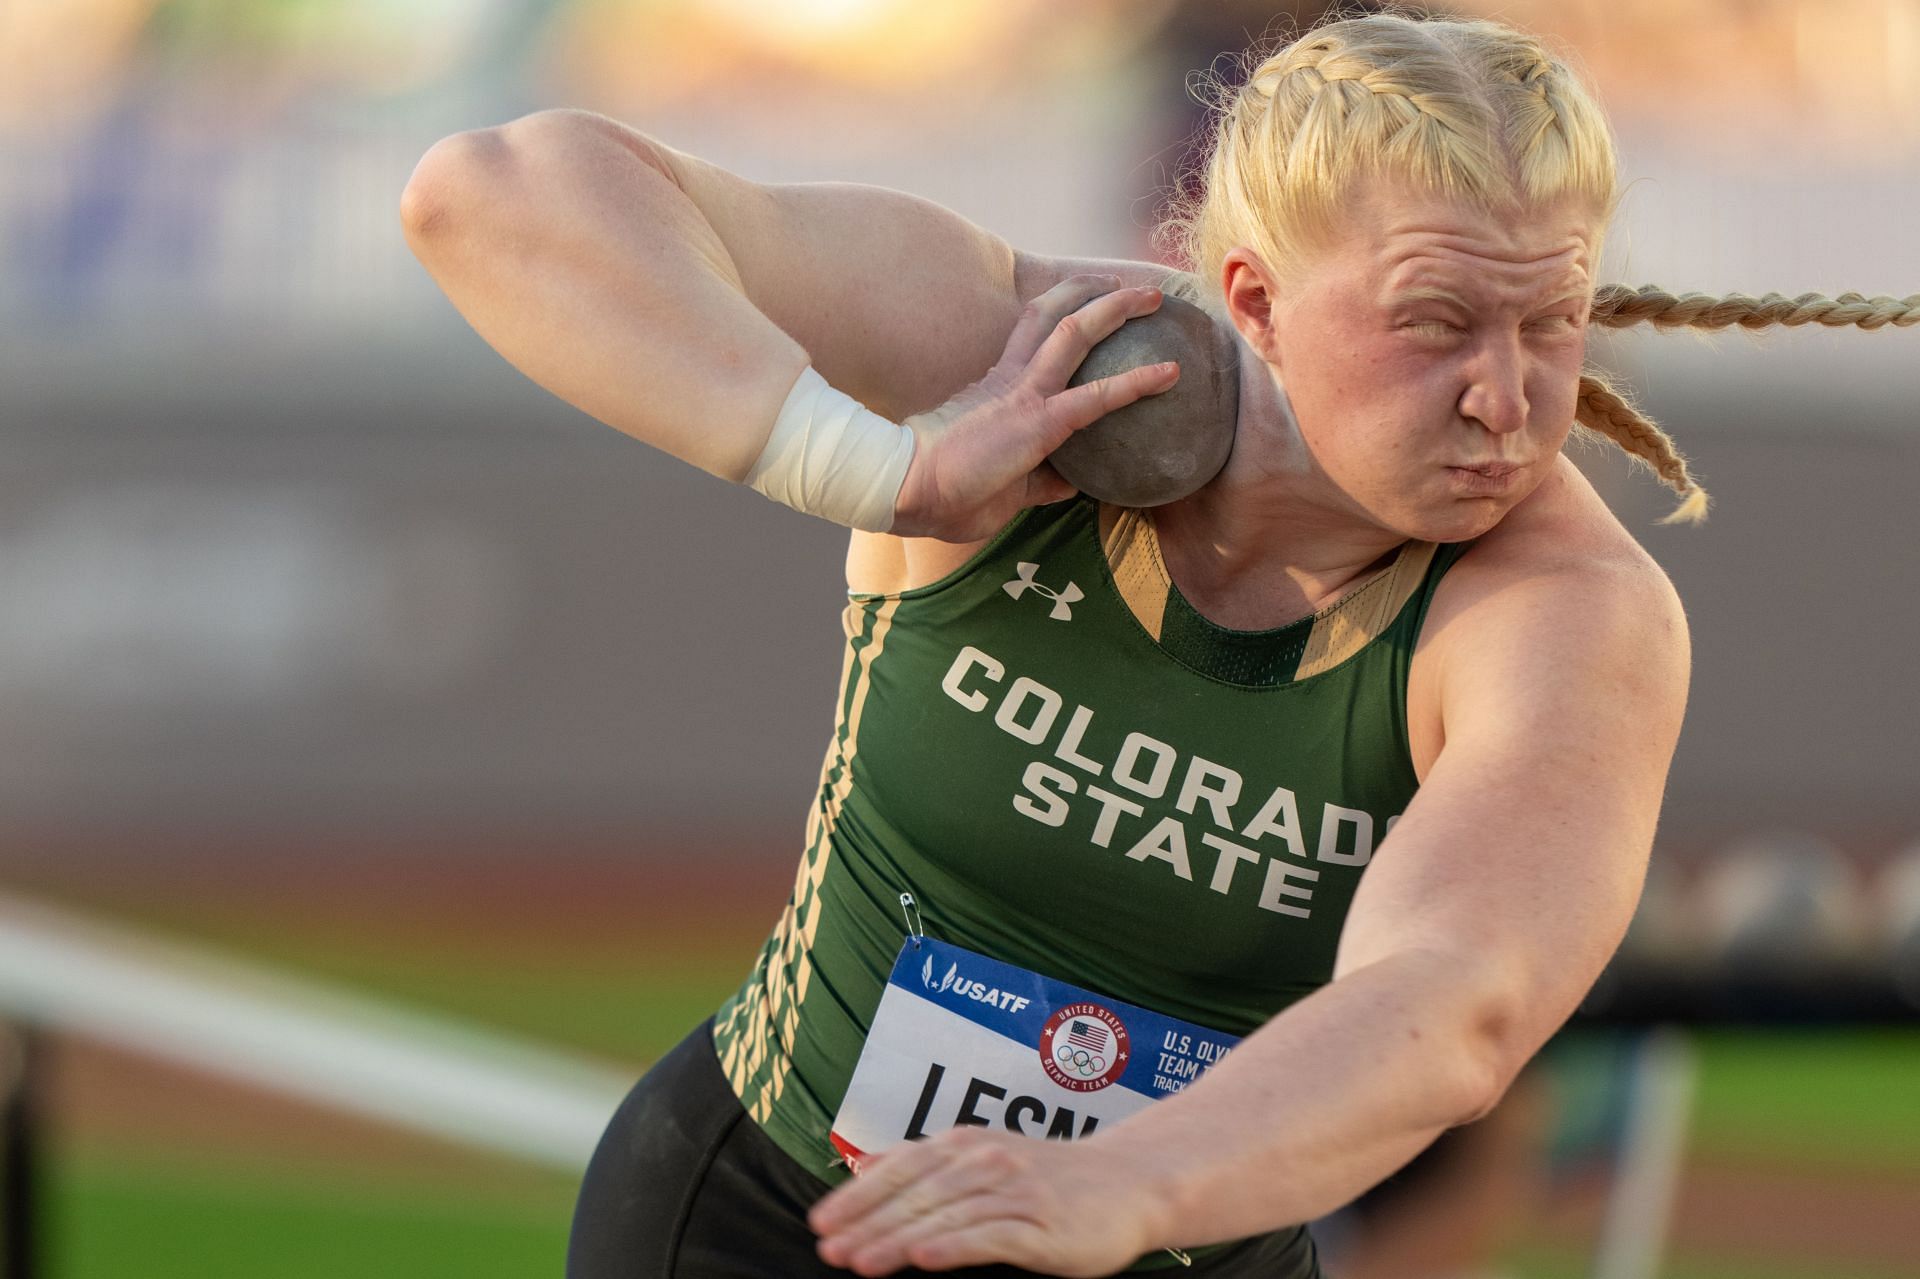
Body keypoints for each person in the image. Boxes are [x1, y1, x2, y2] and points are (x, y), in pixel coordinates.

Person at [400, 10, 1909, 1277]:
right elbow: (491, 195)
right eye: (1438, 322)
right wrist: (875, 468)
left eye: (1552, 324)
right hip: (756, 1223)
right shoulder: (1022, 355)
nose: (1506, 400)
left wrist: (1126, 1186)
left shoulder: (1566, 615)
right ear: (1251, 294)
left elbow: (1456, 1001)